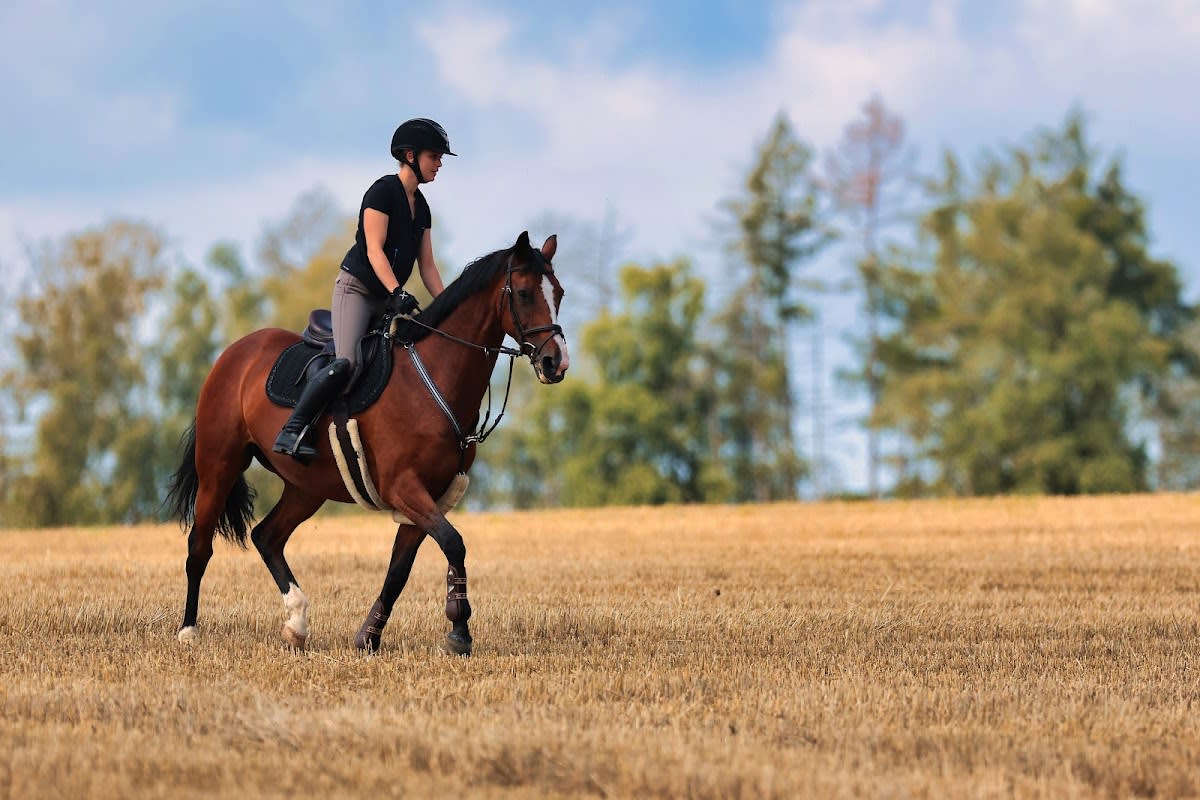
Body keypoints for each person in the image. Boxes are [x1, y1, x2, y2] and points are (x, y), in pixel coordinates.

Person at [273, 117, 456, 460]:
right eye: (435, 156)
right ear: (411, 156)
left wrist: (449, 307)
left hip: (386, 301)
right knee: (348, 363)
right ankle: (292, 430)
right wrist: (397, 291)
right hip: (357, 291)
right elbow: (374, 250)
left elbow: (428, 266)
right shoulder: (382, 192)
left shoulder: (423, 208)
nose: (440, 163)